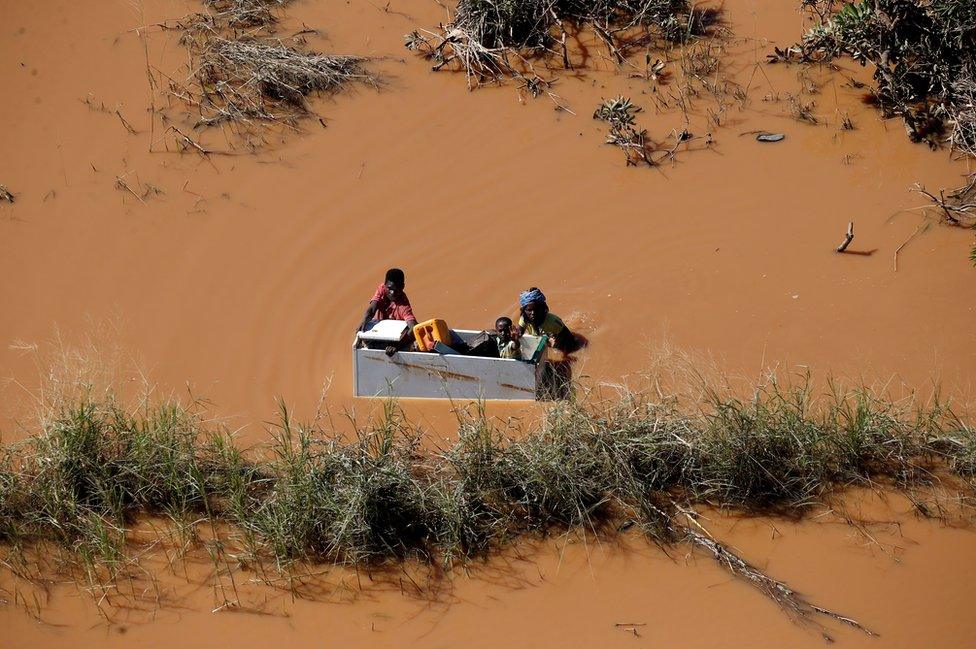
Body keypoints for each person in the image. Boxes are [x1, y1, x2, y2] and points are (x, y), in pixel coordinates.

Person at [359, 268, 418, 354]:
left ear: (402, 287)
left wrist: (397, 345)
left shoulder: (403, 305)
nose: (392, 293)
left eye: (396, 289)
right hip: (378, 334)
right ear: (385, 285)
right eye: (389, 288)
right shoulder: (382, 289)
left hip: (395, 339)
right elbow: (372, 309)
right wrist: (363, 321)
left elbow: (413, 327)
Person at [517, 287, 580, 353]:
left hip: (560, 344)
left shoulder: (552, 322)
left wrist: (565, 353)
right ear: (524, 311)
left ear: (542, 308)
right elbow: (519, 333)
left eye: (536, 309)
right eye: (529, 310)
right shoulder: (524, 319)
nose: (533, 313)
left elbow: (569, 337)